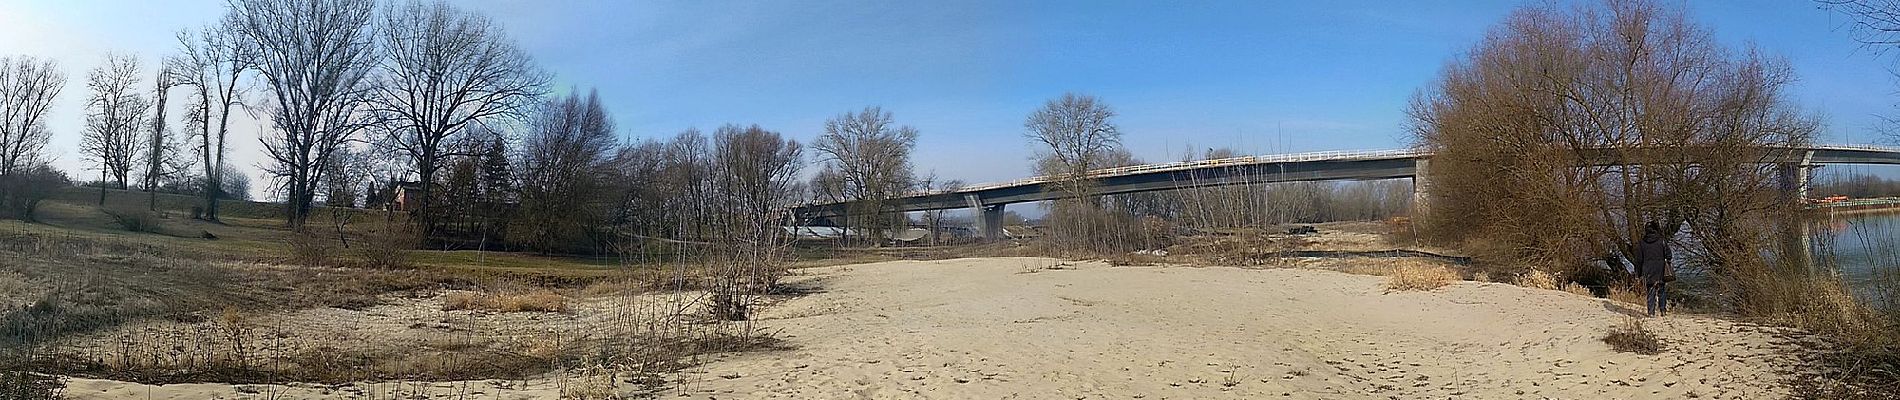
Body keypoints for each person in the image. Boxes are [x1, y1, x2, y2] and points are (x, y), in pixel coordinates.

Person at [1636, 221, 1674, 317]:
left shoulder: (1641, 243)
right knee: (1661, 290)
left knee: (1650, 290)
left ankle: (1651, 312)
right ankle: (1663, 310)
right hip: (1660, 268)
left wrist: (1638, 273)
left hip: (1647, 269)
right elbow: (1669, 254)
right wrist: (1666, 261)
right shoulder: (1661, 240)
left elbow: (1639, 259)